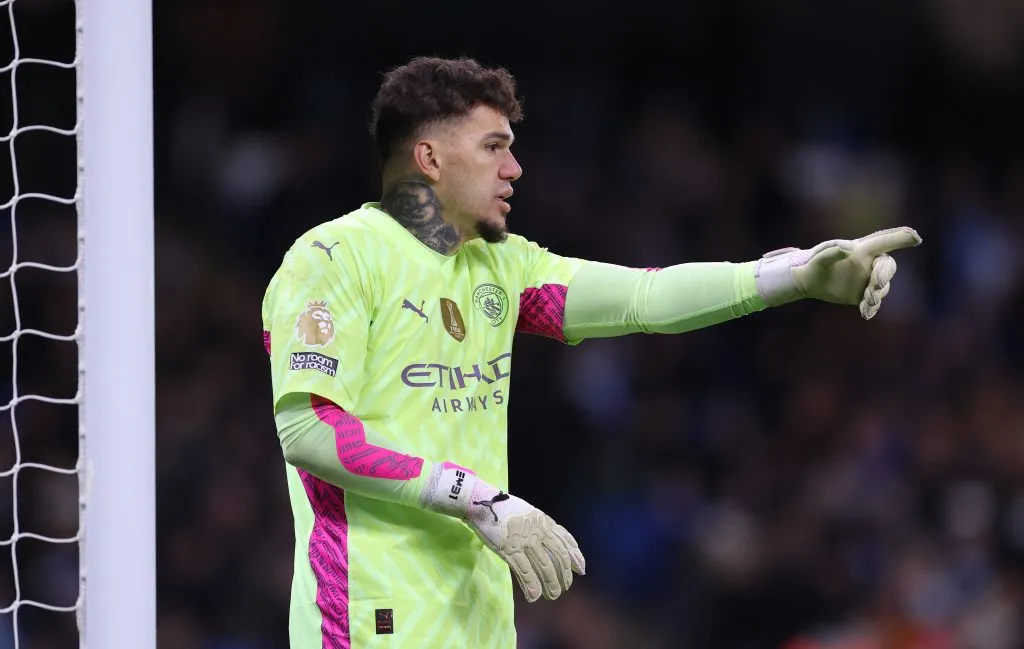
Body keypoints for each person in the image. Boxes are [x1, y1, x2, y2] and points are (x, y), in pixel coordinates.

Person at [260, 56, 922, 649]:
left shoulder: (504, 268)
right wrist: (476, 496)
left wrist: (797, 274)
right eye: (494, 148)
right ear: (429, 158)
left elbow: (647, 298)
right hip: (369, 620)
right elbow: (310, 427)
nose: (514, 168)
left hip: (481, 622)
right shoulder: (335, 259)